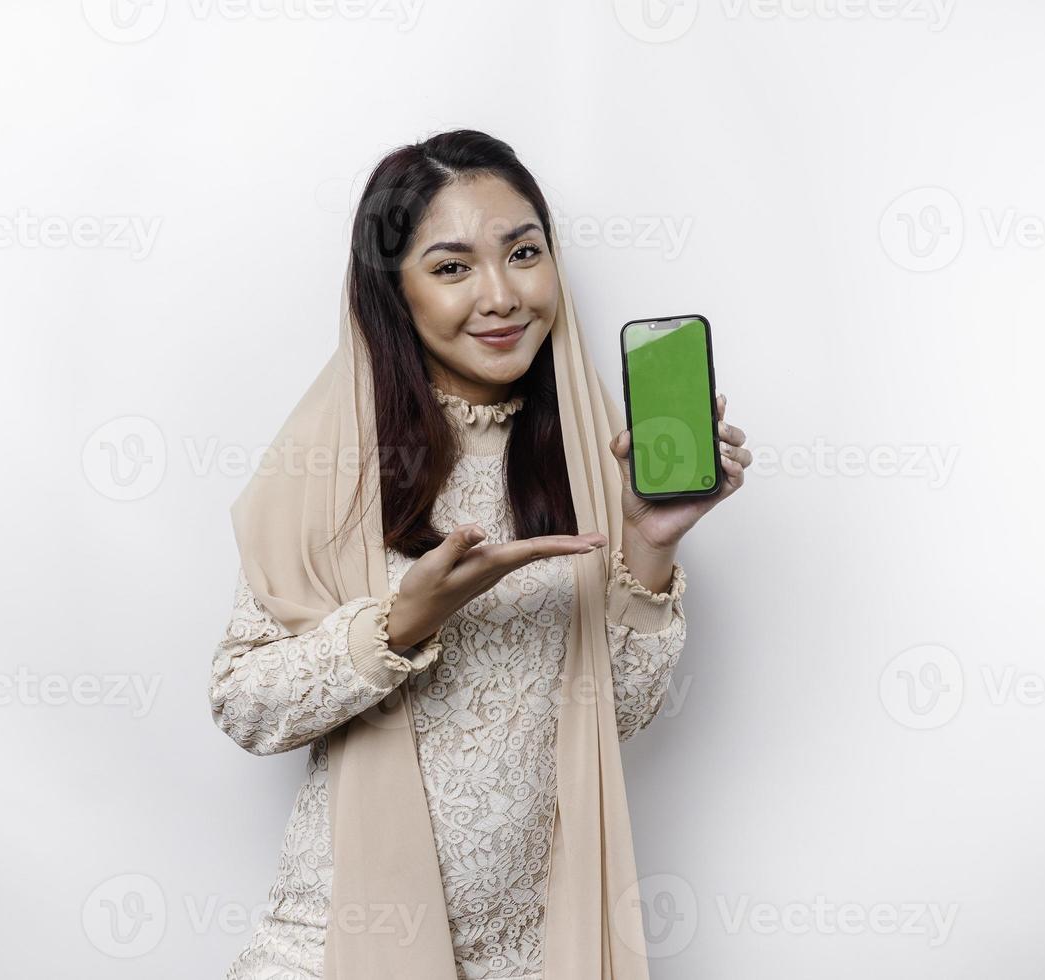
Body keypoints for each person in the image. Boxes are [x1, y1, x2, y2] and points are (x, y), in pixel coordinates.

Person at [210, 129, 752, 980]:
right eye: (452, 266)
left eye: (523, 252)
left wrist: (648, 544)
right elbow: (243, 703)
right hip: (339, 945)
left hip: (538, 952)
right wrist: (400, 623)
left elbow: (612, 718)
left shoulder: (589, 458)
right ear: (397, 294)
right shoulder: (334, 463)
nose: (500, 295)